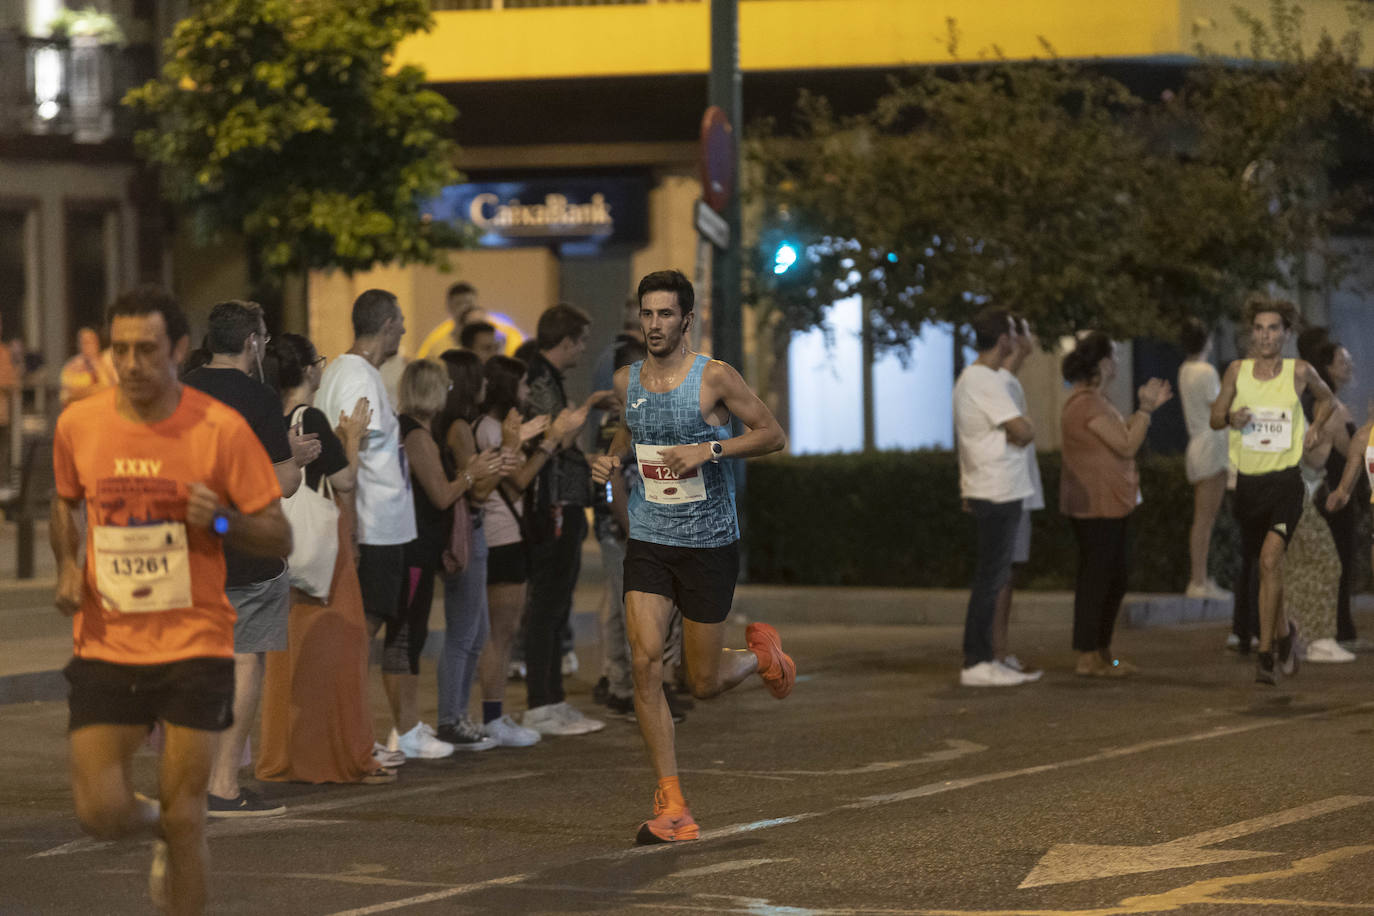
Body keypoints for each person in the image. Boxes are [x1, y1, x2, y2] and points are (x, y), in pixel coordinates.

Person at [51, 286, 291, 914]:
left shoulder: (220, 429)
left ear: (180, 349)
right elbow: (65, 501)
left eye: (147, 349)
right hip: (107, 640)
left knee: (190, 819)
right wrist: (68, 566)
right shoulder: (80, 422)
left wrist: (221, 521)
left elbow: (278, 534)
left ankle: (178, 828)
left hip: (194, 642)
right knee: (100, 812)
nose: (132, 364)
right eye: (121, 349)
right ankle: (162, 823)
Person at [591, 269, 793, 846]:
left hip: (708, 543)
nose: (654, 325)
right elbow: (630, 432)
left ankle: (761, 656)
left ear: (686, 318)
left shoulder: (715, 377)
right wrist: (612, 459)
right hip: (651, 538)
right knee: (645, 663)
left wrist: (709, 449)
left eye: (665, 314)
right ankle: (672, 803)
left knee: (701, 681)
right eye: (647, 314)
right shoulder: (626, 379)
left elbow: (772, 434)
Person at [183, 300, 321, 817]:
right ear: (251, 343)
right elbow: (282, 483)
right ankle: (222, 785)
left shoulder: (181, 390)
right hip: (244, 548)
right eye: (262, 339)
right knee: (244, 659)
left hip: (188, 546)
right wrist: (292, 458)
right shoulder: (258, 396)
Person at [256, 334, 405, 785]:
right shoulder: (312, 416)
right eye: (318, 361)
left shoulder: (271, 419)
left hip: (284, 548)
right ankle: (341, 755)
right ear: (307, 371)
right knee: (340, 650)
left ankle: (289, 755)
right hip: (322, 549)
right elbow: (344, 480)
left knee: (292, 658)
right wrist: (352, 439)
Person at [315, 290, 444, 757]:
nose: (405, 330)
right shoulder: (356, 374)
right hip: (373, 528)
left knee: (360, 635)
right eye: (401, 322)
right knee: (358, 637)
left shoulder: (348, 372)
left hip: (376, 526)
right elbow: (349, 452)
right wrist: (352, 530)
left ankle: (349, 736)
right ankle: (348, 738)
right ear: (387, 324)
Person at [1210, 295, 1335, 685]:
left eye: (1273, 328)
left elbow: (1328, 400)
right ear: (1252, 333)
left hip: (1285, 482)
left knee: (1269, 561)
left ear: (1286, 333)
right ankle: (1284, 635)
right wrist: (1231, 417)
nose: (1265, 335)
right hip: (1249, 484)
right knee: (1268, 569)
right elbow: (1215, 417)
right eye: (1259, 329)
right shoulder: (1237, 371)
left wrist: (1316, 426)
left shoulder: (1300, 371)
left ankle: (1264, 653)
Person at [394, 358, 503, 753]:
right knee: (413, 639)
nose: (448, 392)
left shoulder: (421, 432)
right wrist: (471, 474)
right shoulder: (417, 436)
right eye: (443, 386)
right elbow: (441, 494)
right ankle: (429, 725)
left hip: (423, 545)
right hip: (416, 547)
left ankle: (444, 721)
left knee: (446, 634)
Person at [472, 355, 578, 744]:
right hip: (501, 536)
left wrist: (532, 436)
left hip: (503, 535)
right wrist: (549, 442)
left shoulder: (494, 428)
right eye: (520, 385)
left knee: (500, 634)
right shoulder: (489, 430)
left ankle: (492, 715)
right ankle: (491, 717)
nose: (526, 391)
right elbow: (518, 481)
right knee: (499, 636)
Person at [1060, 332, 1172, 676]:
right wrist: (1146, 410)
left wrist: (1144, 411)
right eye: (1115, 356)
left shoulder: (1096, 400)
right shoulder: (1086, 404)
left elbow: (1121, 436)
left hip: (1110, 502)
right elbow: (1126, 445)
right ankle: (1087, 656)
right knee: (1098, 578)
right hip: (1097, 504)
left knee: (1114, 577)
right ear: (1104, 364)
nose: (1119, 362)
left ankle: (1104, 653)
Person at [521, 302, 603, 736]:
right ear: (567, 341)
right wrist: (585, 409)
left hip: (564, 504)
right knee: (547, 608)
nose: (583, 349)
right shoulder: (538, 379)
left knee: (558, 607)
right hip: (551, 505)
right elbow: (555, 434)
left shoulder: (548, 378)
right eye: (581, 341)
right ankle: (541, 703)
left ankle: (553, 699)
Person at [952, 308, 1038, 687]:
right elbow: (1024, 431)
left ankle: (986, 659)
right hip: (996, 488)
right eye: (1013, 335)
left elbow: (1017, 431)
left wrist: (1017, 431)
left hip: (995, 487)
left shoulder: (979, 378)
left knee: (993, 575)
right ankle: (977, 661)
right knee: (991, 578)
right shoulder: (982, 379)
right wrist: (1021, 429)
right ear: (1003, 340)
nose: (1016, 341)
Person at [1300, 332, 1360, 647]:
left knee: (1338, 560)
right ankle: (1337, 629)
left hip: (1334, 491)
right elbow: (1351, 452)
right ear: (1328, 368)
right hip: (1334, 493)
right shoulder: (1331, 408)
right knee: (1338, 561)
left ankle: (1340, 628)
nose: (1350, 365)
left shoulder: (1328, 405)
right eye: (1343, 361)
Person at [994, 316, 1042, 676]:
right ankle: (995, 652)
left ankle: (997, 651)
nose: (1029, 337)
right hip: (1009, 490)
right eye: (1022, 330)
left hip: (1015, 489)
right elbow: (1016, 434)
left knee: (1005, 573)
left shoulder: (1005, 381)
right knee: (1002, 575)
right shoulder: (999, 382)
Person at [1177, 319, 1231, 602]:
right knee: (1205, 520)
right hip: (1211, 446)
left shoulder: (1185, 369)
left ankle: (1200, 578)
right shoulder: (1205, 371)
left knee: (1202, 519)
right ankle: (1198, 580)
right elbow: (1218, 408)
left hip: (1197, 445)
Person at [416, 282, 488, 360]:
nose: (465, 308)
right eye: (459, 304)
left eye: (469, 303)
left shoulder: (489, 343)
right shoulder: (437, 346)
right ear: (449, 307)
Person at [59, 326, 118, 405]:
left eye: (92, 341)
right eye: (85, 342)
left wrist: (96, 364)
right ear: (79, 344)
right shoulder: (72, 365)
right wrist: (97, 389)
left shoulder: (106, 361)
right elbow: (66, 395)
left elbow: (113, 389)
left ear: (98, 343)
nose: (89, 346)